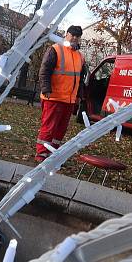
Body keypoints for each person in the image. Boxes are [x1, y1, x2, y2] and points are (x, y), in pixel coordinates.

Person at [35, 25, 87, 162]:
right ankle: (41, 154)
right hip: (53, 97)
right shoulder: (56, 49)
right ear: (66, 35)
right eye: (72, 35)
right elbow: (44, 70)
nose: (75, 38)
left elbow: (80, 78)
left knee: (60, 129)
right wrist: (46, 88)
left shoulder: (80, 57)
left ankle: (53, 152)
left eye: (77, 36)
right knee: (49, 127)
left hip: (69, 100)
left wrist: (79, 95)